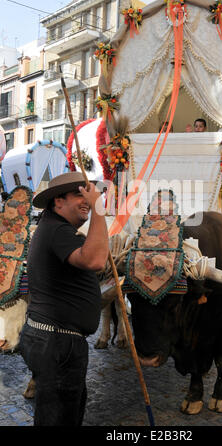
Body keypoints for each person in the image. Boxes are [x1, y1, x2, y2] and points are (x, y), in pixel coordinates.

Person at [19, 171, 109, 426]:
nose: (86, 201)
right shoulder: (57, 230)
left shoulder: (54, 228)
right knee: (59, 420)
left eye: (87, 196)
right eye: (78, 195)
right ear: (58, 201)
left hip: (52, 339)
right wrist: (99, 210)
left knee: (60, 413)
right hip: (58, 343)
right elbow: (95, 259)